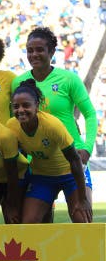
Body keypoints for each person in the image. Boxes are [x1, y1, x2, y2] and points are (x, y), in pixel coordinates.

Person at [12, 26, 97, 211]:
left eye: (40, 50)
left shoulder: (69, 79)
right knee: (35, 223)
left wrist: (87, 147)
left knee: (82, 216)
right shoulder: (18, 83)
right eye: (30, 50)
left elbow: (90, 114)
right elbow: (17, 123)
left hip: (72, 158)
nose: (34, 54)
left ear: (51, 52)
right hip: (40, 165)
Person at [6, 79, 91, 224]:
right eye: (16, 106)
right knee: (29, 222)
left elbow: (75, 160)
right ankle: (47, 209)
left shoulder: (52, 125)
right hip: (42, 177)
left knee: (82, 220)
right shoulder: (11, 126)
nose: (20, 110)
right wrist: (13, 204)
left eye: (26, 105)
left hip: (70, 174)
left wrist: (83, 199)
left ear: (37, 106)